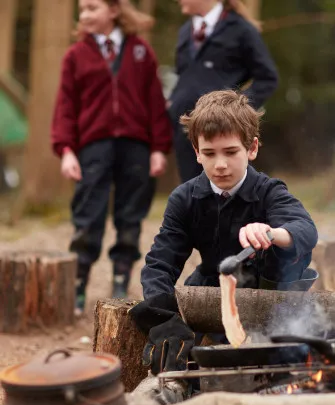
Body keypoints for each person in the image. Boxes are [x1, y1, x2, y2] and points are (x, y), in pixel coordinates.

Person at [130, 90, 318, 376]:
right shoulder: (184, 199)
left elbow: (304, 229)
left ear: (252, 148)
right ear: (196, 152)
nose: (220, 165)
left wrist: (272, 233)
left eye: (231, 152)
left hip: (269, 295)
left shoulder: (269, 192)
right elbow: (161, 263)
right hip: (209, 293)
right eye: (209, 153)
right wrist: (161, 318)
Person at [51, 0, 172, 315]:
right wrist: (65, 150)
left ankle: (120, 283)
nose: (85, 14)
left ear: (115, 10)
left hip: (136, 146)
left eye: (93, 7)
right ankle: (77, 288)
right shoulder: (75, 56)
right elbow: (65, 106)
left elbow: (156, 103)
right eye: (82, 9)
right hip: (93, 146)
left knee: (130, 217)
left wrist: (159, 147)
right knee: (88, 217)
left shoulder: (140, 52)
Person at [169, 0, 278, 183]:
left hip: (224, 131)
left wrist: (236, 110)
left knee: (228, 193)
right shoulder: (185, 32)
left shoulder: (241, 29)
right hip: (186, 130)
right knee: (193, 193)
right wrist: (173, 101)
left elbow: (267, 78)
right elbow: (185, 77)